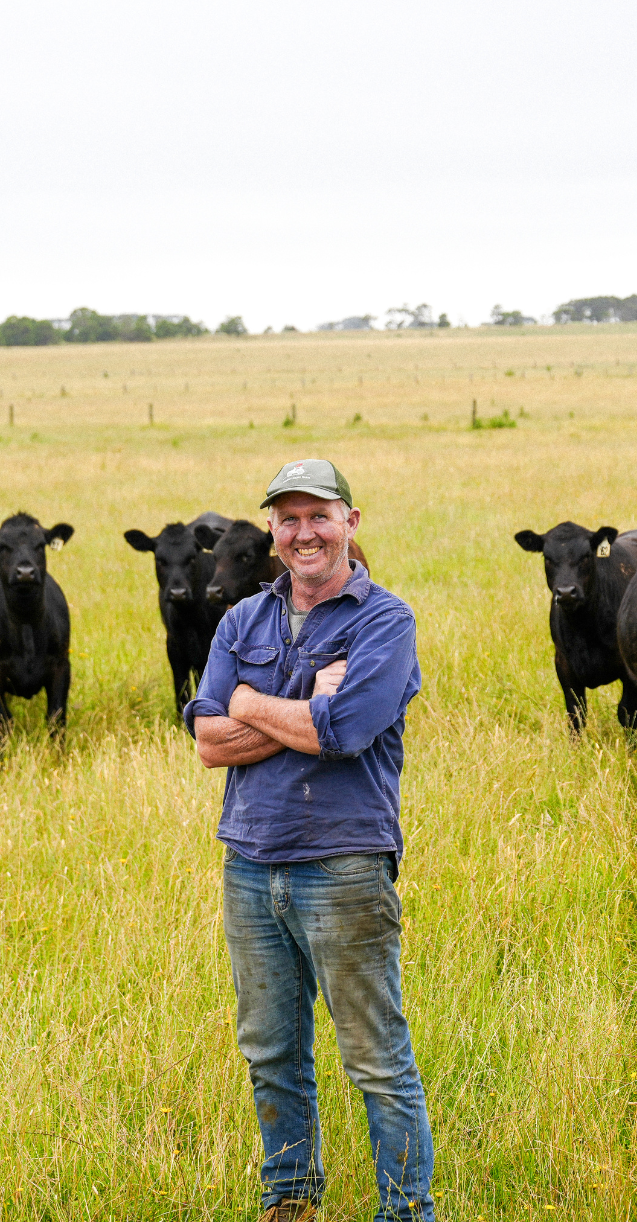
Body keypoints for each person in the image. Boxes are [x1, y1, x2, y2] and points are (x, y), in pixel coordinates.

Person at [184, 459, 434, 1222]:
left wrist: (248, 704)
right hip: (250, 864)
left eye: (319, 516)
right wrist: (291, 703)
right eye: (288, 518)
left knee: (376, 1060)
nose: (304, 533)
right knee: (271, 1053)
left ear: (351, 523)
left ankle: (405, 1214)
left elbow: (347, 733)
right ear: (271, 531)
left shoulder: (384, 621)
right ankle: (289, 1205)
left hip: (344, 866)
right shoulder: (242, 621)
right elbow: (206, 739)